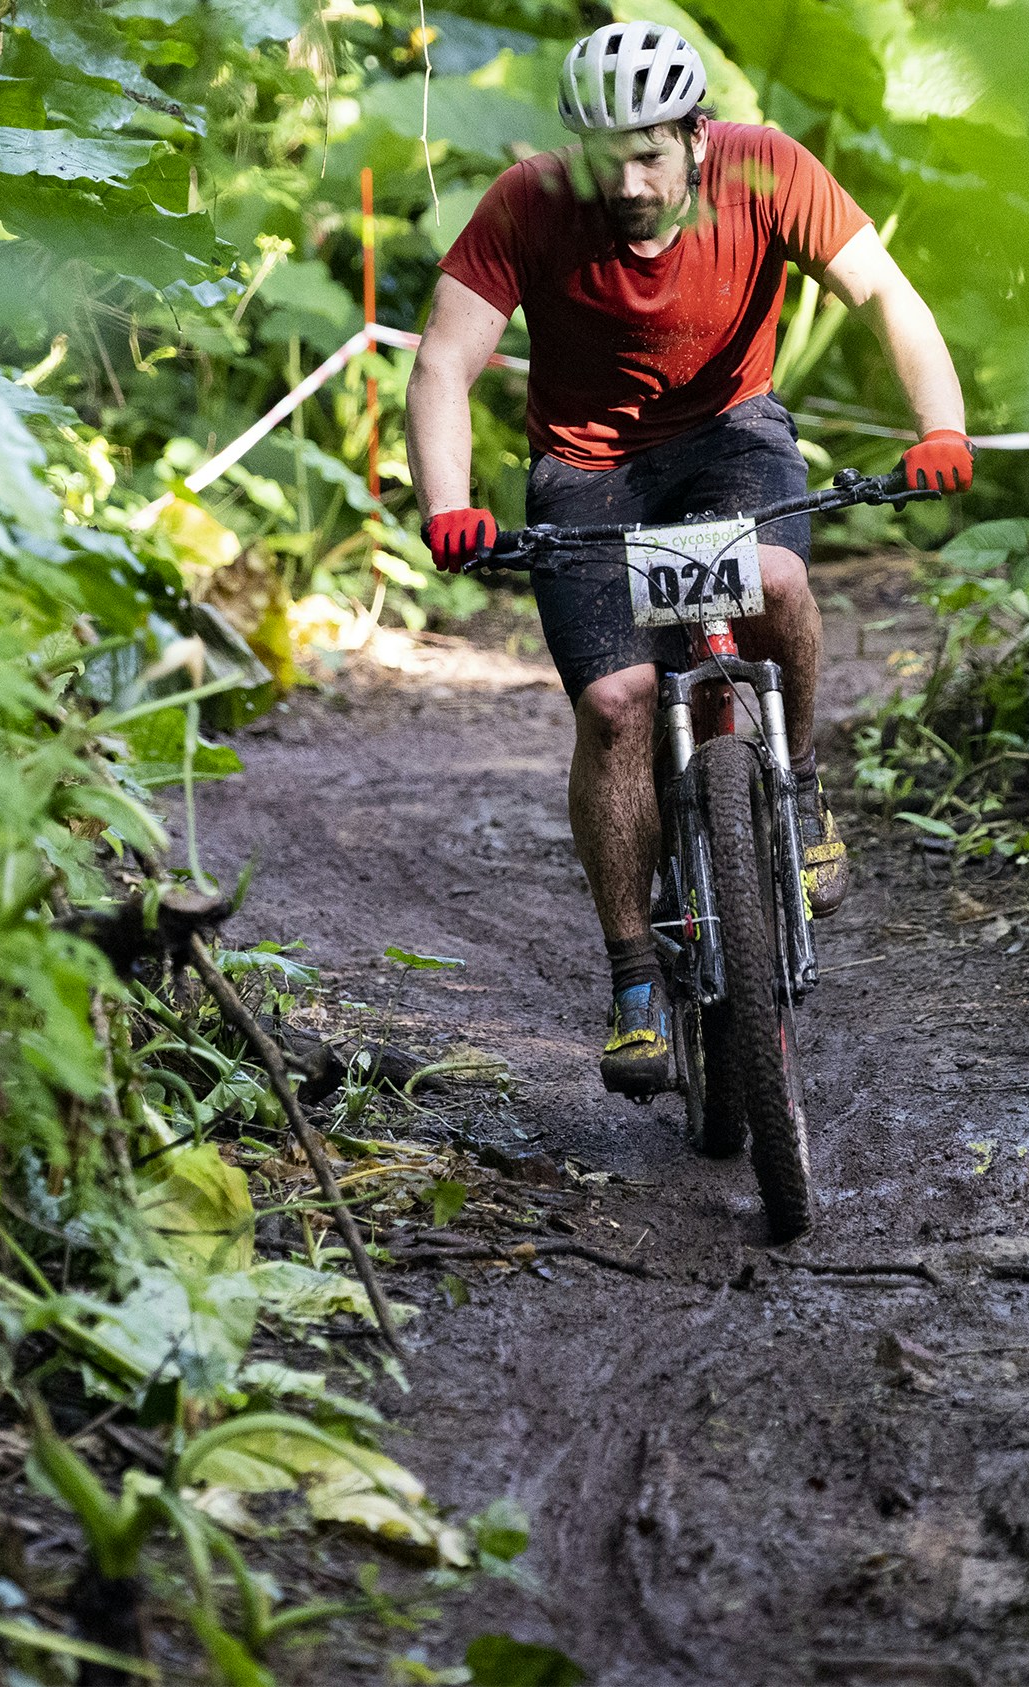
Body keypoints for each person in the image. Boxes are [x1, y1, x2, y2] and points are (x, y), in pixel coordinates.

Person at [406, 20, 973, 1096]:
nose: (625, 181)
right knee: (616, 705)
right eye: (602, 156)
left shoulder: (766, 169)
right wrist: (449, 504)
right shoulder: (528, 204)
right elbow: (443, 362)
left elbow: (886, 293)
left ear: (697, 136)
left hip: (731, 442)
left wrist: (940, 427)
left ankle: (798, 788)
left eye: (649, 154)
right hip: (586, 474)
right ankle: (630, 980)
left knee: (780, 583)